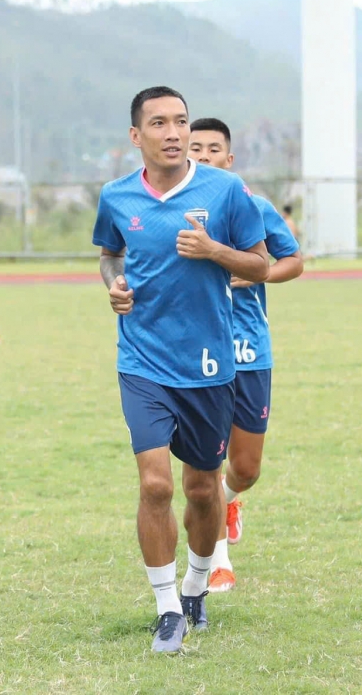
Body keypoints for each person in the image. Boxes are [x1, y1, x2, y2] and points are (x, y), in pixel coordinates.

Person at [92, 87, 269, 653]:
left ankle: (196, 585)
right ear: (135, 135)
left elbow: (261, 264)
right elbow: (110, 254)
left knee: (199, 489)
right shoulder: (117, 196)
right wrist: (114, 286)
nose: (172, 132)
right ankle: (167, 606)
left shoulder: (225, 191)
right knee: (154, 483)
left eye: (181, 122)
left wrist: (216, 250)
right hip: (142, 358)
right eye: (160, 123)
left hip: (210, 365)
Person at [187, 117, 304, 593]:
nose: (204, 156)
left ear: (229, 160)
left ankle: (231, 500)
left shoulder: (253, 206)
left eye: (214, 149)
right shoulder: (175, 213)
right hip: (197, 355)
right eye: (196, 148)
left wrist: (260, 275)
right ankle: (218, 559)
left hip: (251, 352)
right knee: (206, 464)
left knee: (246, 469)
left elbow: (293, 261)